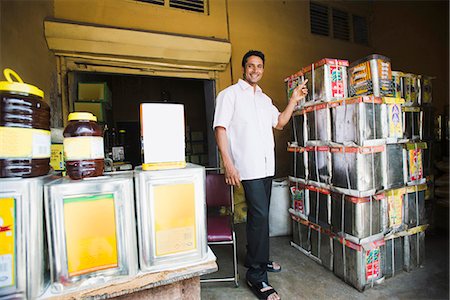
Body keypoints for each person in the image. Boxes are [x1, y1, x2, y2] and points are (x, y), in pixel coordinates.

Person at [213, 50, 308, 300]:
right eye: (251, 66)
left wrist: (294, 99)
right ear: (244, 68)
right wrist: (228, 163)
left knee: (261, 217)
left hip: (267, 167)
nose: (255, 70)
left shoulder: (264, 99)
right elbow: (220, 129)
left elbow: (279, 122)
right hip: (247, 166)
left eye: (260, 66)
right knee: (259, 215)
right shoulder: (230, 95)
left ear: (262, 70)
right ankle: (256, 276)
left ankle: (260, 259)